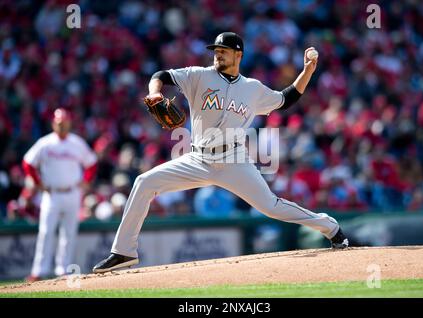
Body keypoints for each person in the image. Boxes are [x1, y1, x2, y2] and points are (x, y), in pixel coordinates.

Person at [93, 32, 349, 273]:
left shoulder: (253, 88)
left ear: (239, 55)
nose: (218, 54)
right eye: (216, 50)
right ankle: (124, 252)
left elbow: (286, 99)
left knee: (271, 207)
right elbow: (162, 74)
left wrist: (306, 71)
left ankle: (330, 227)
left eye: (224, 50)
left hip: (233, 160)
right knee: (144, 182)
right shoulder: (198, 75)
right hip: (197, 158)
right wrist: (155, 92)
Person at [22, 108, 97, 282]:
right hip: (52, 193)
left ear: (69, 123)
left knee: (68, 233)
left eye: (64, 122)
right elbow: (28, 163)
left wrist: (86, 181)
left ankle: (63, 269)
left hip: (72, 192)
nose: (62, 125)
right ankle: (38, 271)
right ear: (53, 124)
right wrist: (38, 183)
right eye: (59, 123)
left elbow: (91, 163)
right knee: (46, 232)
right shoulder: (45, 143)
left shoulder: (76, 143)